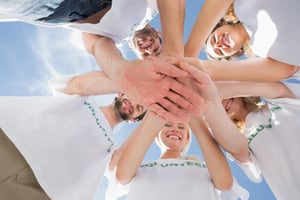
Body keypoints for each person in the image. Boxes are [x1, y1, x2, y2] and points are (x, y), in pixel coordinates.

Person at [0, 0, 204, 123]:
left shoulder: (117, 39)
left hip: (53, 11)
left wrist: (119, 71)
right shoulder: (151, 8)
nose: (149, 48)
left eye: (147, 55)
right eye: (156, 46)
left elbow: (94, 43)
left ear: (135, 52)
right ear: (159, 33)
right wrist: (174, 54)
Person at [0, 74, 146, 200]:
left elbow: (121, 173)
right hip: (11, 142)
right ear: (121, 92)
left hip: (37, 189)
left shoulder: (111, 151)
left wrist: (156, 111)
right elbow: (77, 84)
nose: (134, 103)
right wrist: (132, 83)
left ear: (134, 119)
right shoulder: (80, 98)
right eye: (134, 95)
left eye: (140, 107)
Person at [186, 66, 300, 199]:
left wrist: (212, 90)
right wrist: (209, 102)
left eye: (223, 96)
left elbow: (274, 88)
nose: (222, 101)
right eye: (218, 104)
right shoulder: (242, 139)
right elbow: (237, 149)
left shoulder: (279, 103)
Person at [105, 107, 249, 199]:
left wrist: (197, 122)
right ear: (156, 134)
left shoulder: (205, 168)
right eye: (167, 125)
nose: (175, 129)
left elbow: (225, 184)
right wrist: (152, 120)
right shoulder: (141, 167)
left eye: (182, 127)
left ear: (187, 138)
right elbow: (122, 176)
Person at [183, 0, 300, 82]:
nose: (218, 45)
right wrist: (202, 68)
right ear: (235, 52)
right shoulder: (262, 52)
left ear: (219, 26)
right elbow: (287, 69)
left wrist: (188, 55)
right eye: (220, 52)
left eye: (213, 39)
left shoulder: (241, 8)